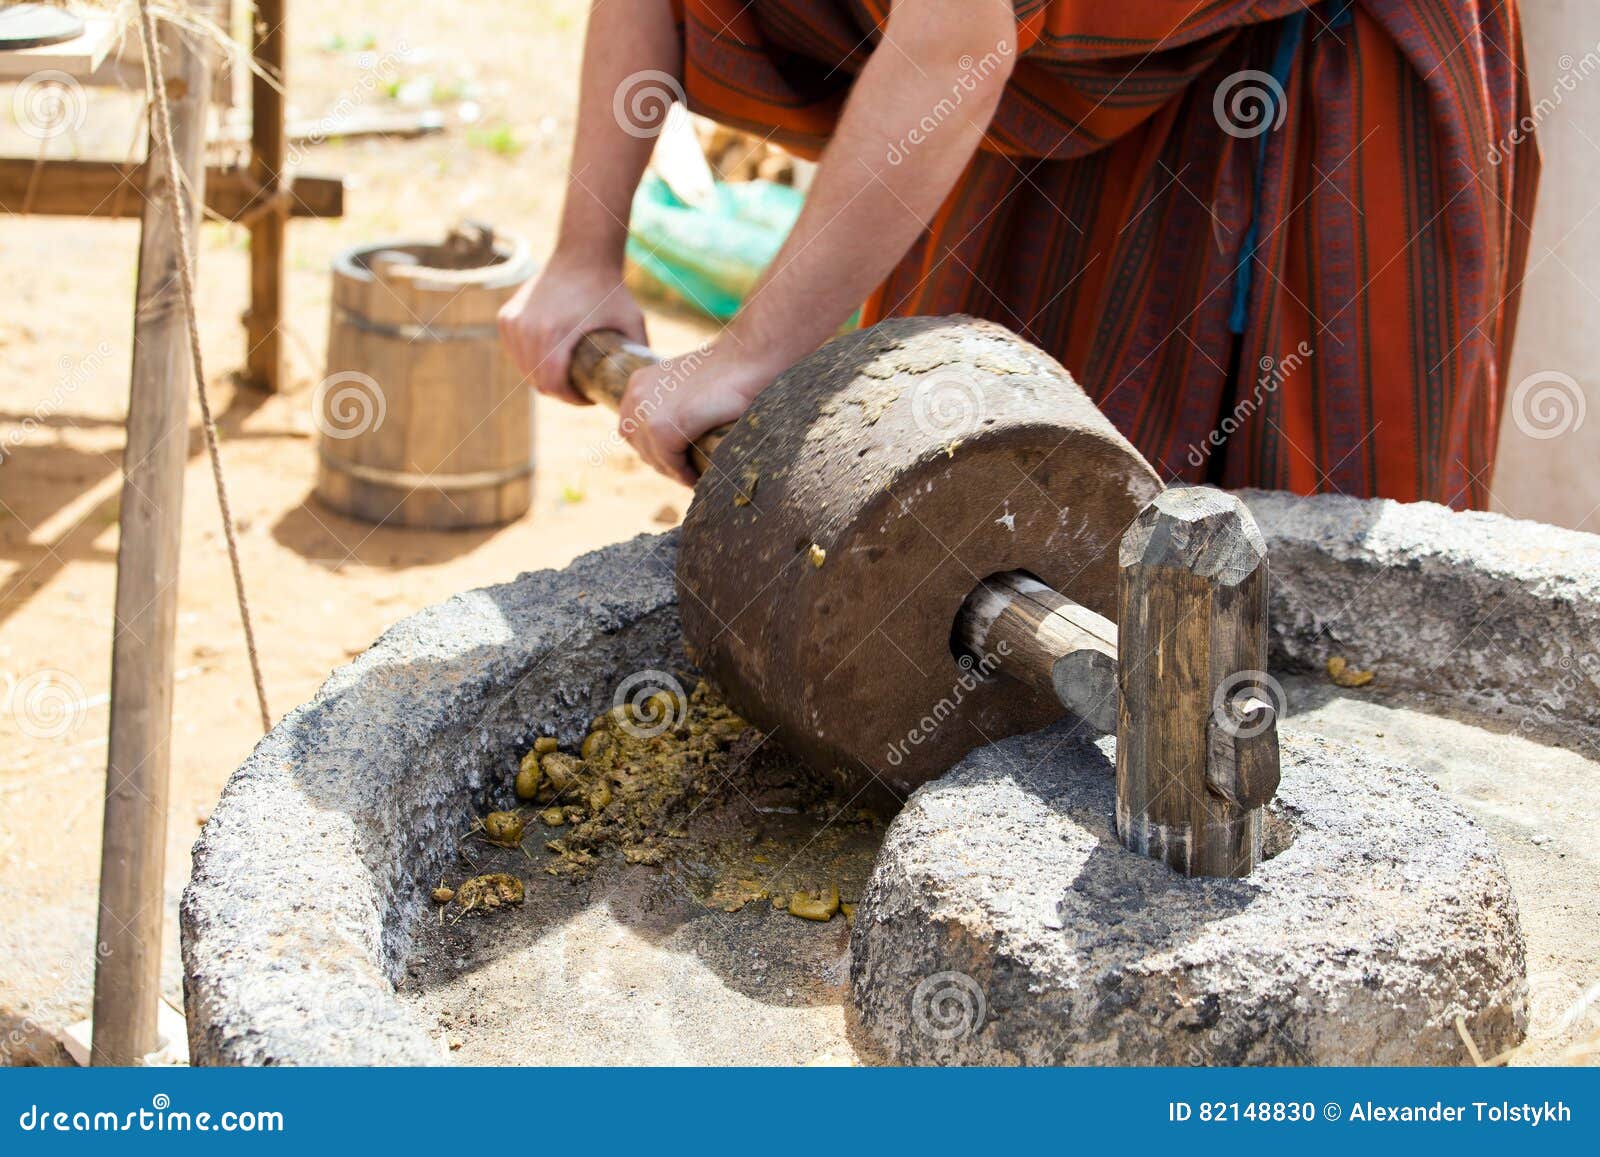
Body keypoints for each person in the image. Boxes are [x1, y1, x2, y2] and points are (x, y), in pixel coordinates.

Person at [499, 0, 1537, 508]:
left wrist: (749, 355)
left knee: (1281, 587)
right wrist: (585, 256)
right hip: (1040, 82)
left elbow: (955, 40)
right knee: (956, 486)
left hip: (1286, 78)